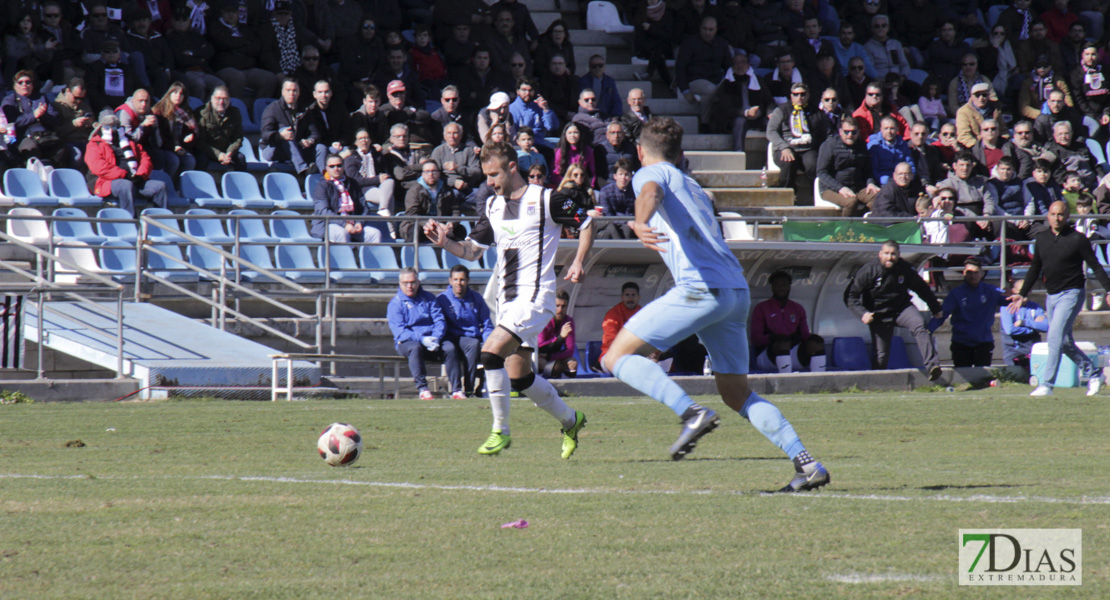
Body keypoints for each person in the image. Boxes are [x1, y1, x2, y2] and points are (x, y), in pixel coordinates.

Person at [599, 116, 829, 492]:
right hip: (735, 291)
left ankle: (691, 412)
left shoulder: (650, 173)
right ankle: (807, 465)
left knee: (615, 356)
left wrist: (639, 223)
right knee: (735, 392)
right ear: (682, 153)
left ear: (641, 152)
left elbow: (650, 192)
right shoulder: (692, 184)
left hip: (699, 288)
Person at [422, 140, 593, 458]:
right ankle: (571, 420)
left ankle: (500, 430)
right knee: (520, 376)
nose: (489, 181)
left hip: (536, 299)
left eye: (493, 174)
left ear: (512, 167)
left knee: (490, 353)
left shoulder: (546, 199)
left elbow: (585, 223)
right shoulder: (492, 206)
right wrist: (445, 241)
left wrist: (579, 260)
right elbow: (471, 252)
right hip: (508, 303)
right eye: (486, 175)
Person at [1009, 201, 1110, 395]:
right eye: (1053, 214)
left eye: (1061, 214)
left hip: (1072, 293)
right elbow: (1035, 268)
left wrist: (1108, 290)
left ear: (1067, 216)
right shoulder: (1042, 239)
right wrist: (1022, 294)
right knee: (1063, 342)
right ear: (1048, 215)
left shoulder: (1078, 239)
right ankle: (1094, 374)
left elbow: (1095, 265)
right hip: (1052, 295)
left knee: (1054, 337)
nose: (1057, 218)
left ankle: (1046, 384)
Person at [844, 240, 944, 380]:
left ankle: (932, 366)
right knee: (881, 356)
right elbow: (850, 296)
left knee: (919, 324)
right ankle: (876, 384)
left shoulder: (905, 269)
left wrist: (935, 308)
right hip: (878, 314)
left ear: (898, 255)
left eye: (893, 254)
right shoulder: (868, 270)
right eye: (886, 253)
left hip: (901, 309)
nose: (890, 257)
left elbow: (922, 288)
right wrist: (863, 313)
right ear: (880, 254)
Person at [387, 267, 462, 401]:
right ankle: (423, 389)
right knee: (414, 347)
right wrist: (422, 339)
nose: (410, 286)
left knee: (450, 347)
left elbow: (439, 320)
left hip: (433, 339)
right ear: (400, 283)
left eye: (413, 282)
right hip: (408, 342)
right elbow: (401, 331)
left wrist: (436, 337)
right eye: (406, 283)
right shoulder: (396, 304)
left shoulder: (429, 298)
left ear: (418, 282)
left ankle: (456, 389)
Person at [84, 113, 168, 217]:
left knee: (159, 186)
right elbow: (99, 167)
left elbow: (145, 159)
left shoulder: (130, 142)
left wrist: (140, 176)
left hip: (134, 179)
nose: (113, 130)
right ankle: (130, 222)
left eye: (115, 126)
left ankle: (161, 223)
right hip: (105, 182)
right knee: (125, 185)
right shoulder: (94, 144)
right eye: (109, 126)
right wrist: (124, 175)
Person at [929, 257, 1008, 367]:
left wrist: (1021, 297)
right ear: (964, 273)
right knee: (964, 379)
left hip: (983, 343)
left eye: (976, 272)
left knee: (982, 379)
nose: (972, 275)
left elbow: (1011, 300)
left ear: (981, 273)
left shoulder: (991, 291)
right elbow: (942, 314)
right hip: (961, 343)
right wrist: (928, 330)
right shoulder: (956, 293)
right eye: (969, 272)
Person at [750, 270, 826, 373]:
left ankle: (820, 382)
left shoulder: (797, 308)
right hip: (767, 355)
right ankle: (785, 382)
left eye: (784, 285)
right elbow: (756, 339)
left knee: (816, 343)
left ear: (789, 287)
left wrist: (810, 339)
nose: (781, 288)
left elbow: (805, 336)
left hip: (792, 353)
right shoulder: (761, 308)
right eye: (777, 285)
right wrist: (773, 338)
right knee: (782, 343)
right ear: (772, 287)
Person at [767, 82, 829, 205]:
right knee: (788, 162)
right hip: (786, 148)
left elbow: (825, 133)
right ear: (791, 96)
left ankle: (817, 196)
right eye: (796, 94)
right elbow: (771, 131)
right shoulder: (782, 110)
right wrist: (784, 147)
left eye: (802, 94)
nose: (799, 97)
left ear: (808, 95)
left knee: (813, 164)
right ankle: (785, 198)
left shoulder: (816, 111)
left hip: (808, 148)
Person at [436, 265, 493, 398]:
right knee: (457, 347)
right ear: (450, 281)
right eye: (455, 279)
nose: (459, 283)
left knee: (481, 347)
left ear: (468, 280)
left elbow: (486, 324)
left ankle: (471, 389)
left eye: (462, 279)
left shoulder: (477, 298)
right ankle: (458, 390)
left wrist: (488, 342)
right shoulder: (442, 299)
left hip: (471, 338)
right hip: (450, 337)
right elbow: (438, 322)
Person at [674, 15, 733, 129]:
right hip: (694, 79)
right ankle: (705, 122)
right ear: (700, 28)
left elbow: (728, 67)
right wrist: (685, 91)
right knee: (710, 89)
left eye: (711, 29)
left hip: (716, 79)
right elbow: (680, 67)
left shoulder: (722, 44)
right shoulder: (689, 43)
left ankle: (725, 123)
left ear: (716, 30)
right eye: (704, 29)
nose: (707, 32)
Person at [816, 115, 880, 216]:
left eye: (853, 132)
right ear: (840, 132)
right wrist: (840, 188)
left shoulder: (862, 146)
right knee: (851, 202)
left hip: (857, 187)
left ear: (858, 132)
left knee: (880, 198)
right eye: (846, 132)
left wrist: (870, 183)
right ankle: (844, 229)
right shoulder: (829, 145)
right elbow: (821, 172)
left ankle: (859, 221)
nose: (850, 135)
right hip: (831, 189)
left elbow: (867, 170)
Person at [311, 153, 382, 244]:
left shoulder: (352, 183)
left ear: (343, 167)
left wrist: (360, 222)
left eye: (339, 165)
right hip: (329, 224)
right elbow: (323, 211)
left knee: (375, 234)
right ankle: (346, 258)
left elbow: (364, 207)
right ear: (327, 168)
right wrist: (344, 224)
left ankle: (370, 258)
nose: (336, 169)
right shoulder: (322, 186)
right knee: (342, 233)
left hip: (353, 224)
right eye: (332, 166)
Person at [399, 159, 465, 243]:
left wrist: (451, 223)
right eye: (427, 172)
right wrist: (433, 225)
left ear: (439, 173)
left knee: (460, 230)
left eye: (434, 171)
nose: (431, 174)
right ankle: (412, 254)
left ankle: (456, 255)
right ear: (422, 174)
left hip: (441, 225)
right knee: (416, 231)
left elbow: (455, 210)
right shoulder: (414, 190)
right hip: (418, 224)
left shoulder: (447, 190)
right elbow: (412, 215)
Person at [259, 78, 314, 175]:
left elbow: (315, 133)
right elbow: (265, 134)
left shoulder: (304, 109)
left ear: (299, 92)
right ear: (282, 92)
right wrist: (280, 136)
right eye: (288, 90)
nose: (292, 94)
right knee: (286, 132)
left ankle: (325, 174)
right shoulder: (272, 109)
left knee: (321, 148)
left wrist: (309, 140)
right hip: (272, 149)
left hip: (297, 148)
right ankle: (303, 169)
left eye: (295, 90)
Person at [1000, 277, 1048, 372]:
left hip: (1033, 351)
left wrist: (1024, 323)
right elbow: (1010, 330)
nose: (1026, 293)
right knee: (1018, 378)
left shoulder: (1036, 307)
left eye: (1028, 289)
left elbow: (1046, 326)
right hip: (1014, 352)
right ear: (1014, 291)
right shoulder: (1007, 307)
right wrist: (1034, 327)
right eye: (1022, 290)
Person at [196, 85, 245, 172]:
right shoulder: (201, 113)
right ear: (212, 98)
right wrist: (218, 154)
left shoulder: (235, 113)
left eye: (225, 99)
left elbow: (238, 138)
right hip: (206, 150)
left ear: (229, 100)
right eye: (218, 98)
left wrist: (230, 152)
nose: (221, 102)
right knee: (201, 159)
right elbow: (199, 141)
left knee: (241, 158)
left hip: (226, 150)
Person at [599, 282, 643, 369]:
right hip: (611, 356)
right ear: (622, 297)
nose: (630, 298)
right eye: (627, 295)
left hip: (637, 356)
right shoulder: (612, 314)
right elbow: (610, 340)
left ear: (638, 297)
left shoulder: (643, 313)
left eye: (633, 295)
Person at [536, 289, 579, 379]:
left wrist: (551, 356)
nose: (560, 310)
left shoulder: (568, 321)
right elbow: (540, 348)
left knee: (573, 363)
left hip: (552, 356)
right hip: (540, 357)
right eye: (557, 306)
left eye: (563, 306)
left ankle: (570, 390)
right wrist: (560, 337)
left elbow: (570, 350)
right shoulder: (544, 320)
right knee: (546, 363)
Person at [596, 158, 636, 239]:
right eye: (621, 174)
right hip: (611, 224)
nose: (623, 178)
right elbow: (607, 215)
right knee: (607, 232)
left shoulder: (635, 191)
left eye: (626, 174)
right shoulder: (605, 191)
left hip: (629, 223)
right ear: (615, 176)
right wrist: (626, 221)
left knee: (627, 229)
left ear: (631, 176)